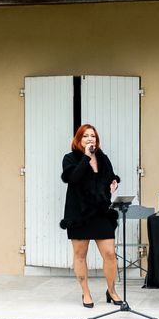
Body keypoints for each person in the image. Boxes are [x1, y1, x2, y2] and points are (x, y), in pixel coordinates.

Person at [60, 124, 123, 308]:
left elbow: (111, 177)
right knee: (80, 254)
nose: (90, 139)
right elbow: (73, 178)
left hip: (101, 212)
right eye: (86, 136)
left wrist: (113, 183)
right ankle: (85, 293)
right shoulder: (70, 158)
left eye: (93, 136)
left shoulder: (103, 158)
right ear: (78, 139)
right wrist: (87, 157)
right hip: (79, 213)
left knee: (110, 254)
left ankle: (111, 291)